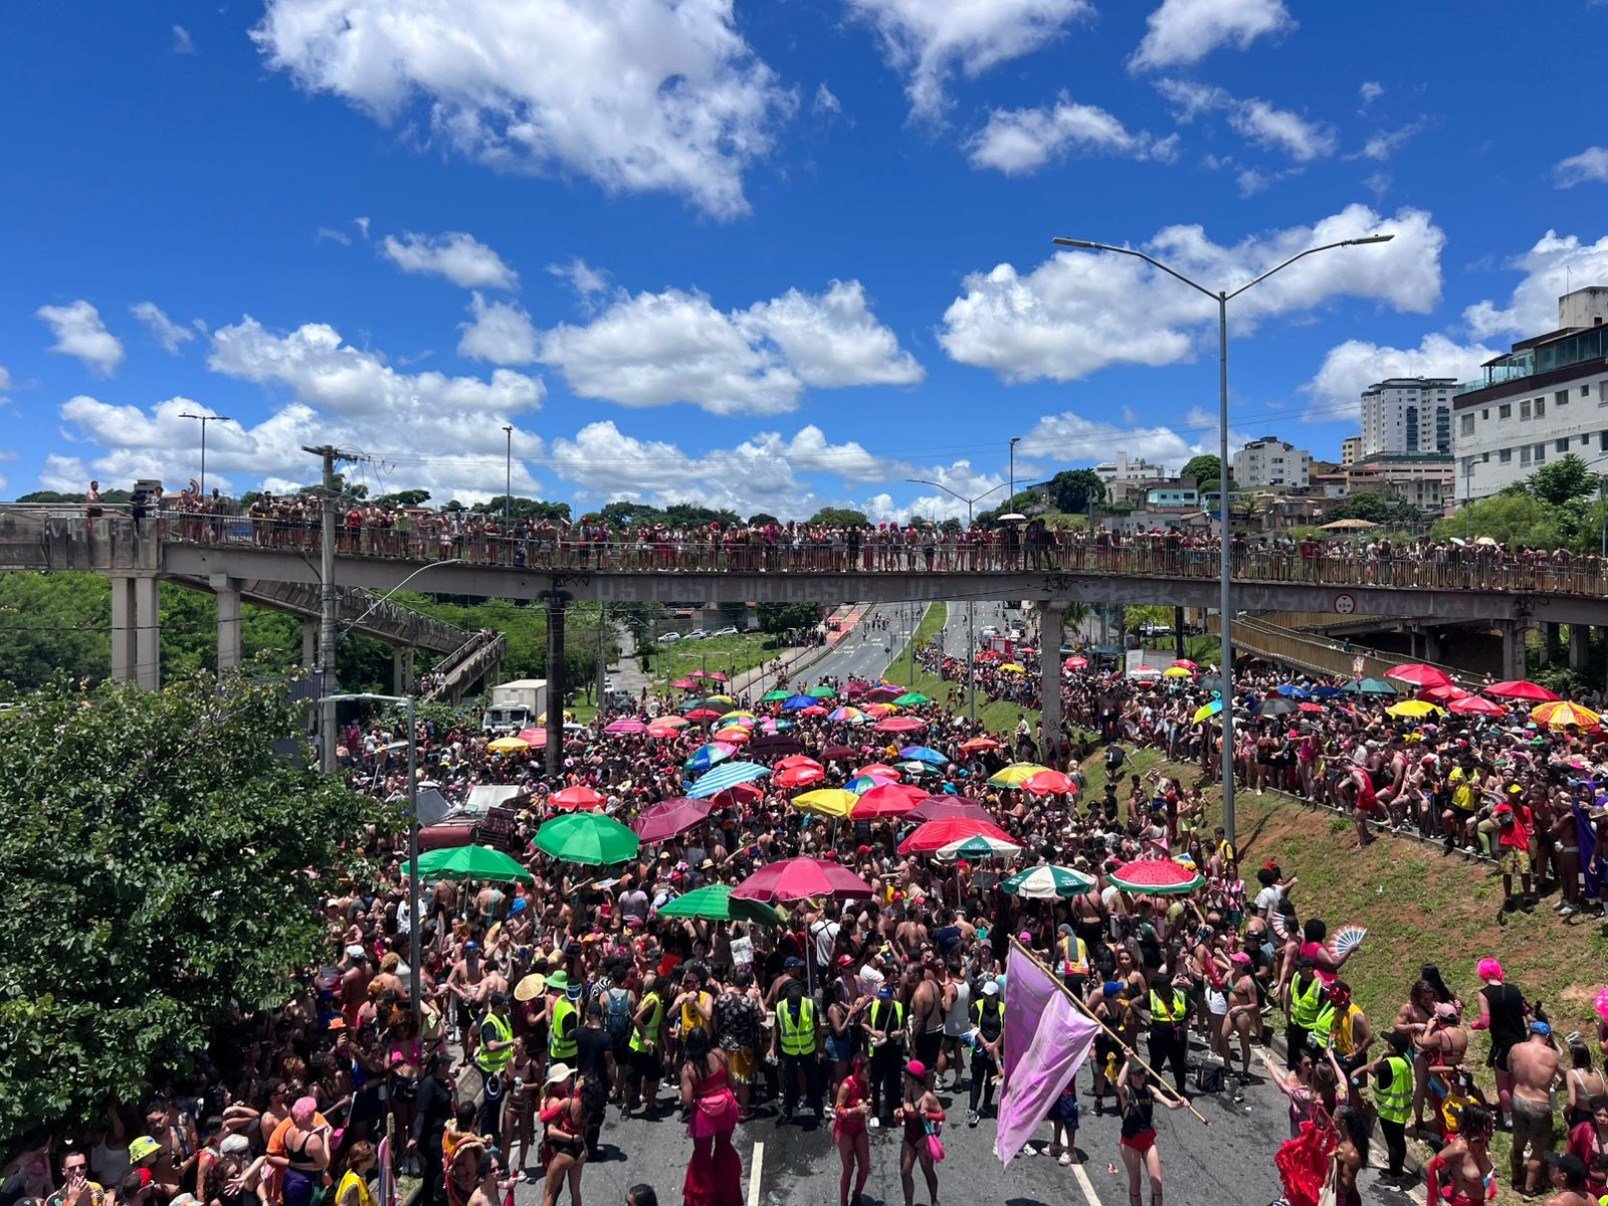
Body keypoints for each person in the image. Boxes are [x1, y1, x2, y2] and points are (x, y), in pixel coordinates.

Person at [678, 1028, 741, 1206]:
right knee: (724, 1148)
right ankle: (728, 1195)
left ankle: (703, 1201)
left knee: (702, 1157)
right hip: (726, 1109)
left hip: (704, 1116)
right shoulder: (719, 1055)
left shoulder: (688, 1069)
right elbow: (732, 1082)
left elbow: (687, 1100)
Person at [1114, 1048, 1186, 1206]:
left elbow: (1170, 1104)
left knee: (1157, 1183)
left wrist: (1181, 1103)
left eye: (1142, 1072)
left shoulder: (1150, 1090)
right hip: (1130, 1142)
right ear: (1130, 1076)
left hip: (1147, 1140)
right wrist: (1127, 1061)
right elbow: (1119, 1084)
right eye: (1136, 1073)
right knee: (1136, 1182)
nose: (1140, 1076)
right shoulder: (1127, 1092)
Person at [1469, 957, 1528, 1128]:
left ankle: (1508, 1117)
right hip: (1521, 1041)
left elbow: (1485, 1021)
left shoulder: (1484, 994)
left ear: (1482, 973)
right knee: (1517, 1081)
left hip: (1502, 1044)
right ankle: (1521, 1113)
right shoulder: (1514, 989)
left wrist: (1474, 1025)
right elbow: (1525, 1010)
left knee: (1503, 1082)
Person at [1352, 1030, 1413, 1189]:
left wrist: (1382, 1055)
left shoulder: (1388, 1064)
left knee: (1393, 1144)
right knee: (1399, 1142)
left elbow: (1373, 1068)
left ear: (1392, 1047)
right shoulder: (1404, 1059)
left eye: (1390, 1042)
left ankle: (1394, 1178)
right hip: (1402, 1109)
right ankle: (1397, 1171)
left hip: (1390, 1110)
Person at [1510, 1022, 1563, 1197]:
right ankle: (1529, 1189)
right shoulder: (1553, 1055)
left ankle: (1516, 1178)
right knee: (1538, 1149)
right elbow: (1567, 1075)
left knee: (1518, 1142)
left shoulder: (1516, 1048)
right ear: (1548, 1037)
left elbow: (1510, 1068)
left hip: (1518, 1098)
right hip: (1539, 1104)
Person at [1425, 1104, 1497, 1205]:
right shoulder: (1459, 1148)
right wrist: (1440, 1199)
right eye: (1489, 1126)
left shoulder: (1480, 1144)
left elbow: (1485, 1174)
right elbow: (1428, 1166)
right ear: (1477, 1126)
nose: (1493, 1131)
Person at [772, 978, 822, 1123]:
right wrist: (772, 1047)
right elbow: (776, 1027)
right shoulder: (781, 1007)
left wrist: (819, 1049)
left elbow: (818, 1027)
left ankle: (819, 1115)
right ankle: (788, 1114)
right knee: (788, 1083)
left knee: (814, 1082)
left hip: (808, 1051)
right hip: (790, 1052)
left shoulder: (809, 1005)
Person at [894, 1061, 943, 1206]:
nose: (903, 1079)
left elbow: (942, 1115)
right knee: (904, 1173)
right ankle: (908, 1203)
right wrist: (899, 1113)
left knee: (928, 1172)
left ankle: (934, 1200)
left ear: (913, 1080)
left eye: (906, 1077)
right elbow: (904, 1114)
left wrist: (928, 1114)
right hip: (908, 1139)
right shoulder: (907, 1092)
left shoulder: (928, 1098)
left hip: (923, 1142)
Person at [538, 1064, 587, 1206]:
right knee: (573, 1192)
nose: (571, 1079)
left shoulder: (562, 1098)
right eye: (567, 1077)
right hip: (574, 1149)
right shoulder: (558, 1101)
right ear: (559, 1082)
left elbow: (550, 1131)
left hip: (561, 1149)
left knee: (550, 1193)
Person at [412, 1051, 456, 1206]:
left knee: (438, 1170)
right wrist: (414, 1137)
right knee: (436, 1170)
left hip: (443, 1133)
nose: (449, 1067)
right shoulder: (428, 1085)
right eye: (447, 1064)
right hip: (432, 1136)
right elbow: (421, 1114)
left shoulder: (443, 1082)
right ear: (439, 1065)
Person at [832, 1057, 871, 1206]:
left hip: (859, 1128)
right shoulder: (847, 1086)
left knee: (865, 1166)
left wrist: (867, 1106)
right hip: (845, 1130)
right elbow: (838, 1109)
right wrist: (856, 1110)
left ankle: (857, 1195)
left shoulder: (865, 1083)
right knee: (848, 1169)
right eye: (867, 1071)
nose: (869, 1074)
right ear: (858, 1070)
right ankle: (844, 1201)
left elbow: (866, 1099)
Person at [864, 986, 905, 1127]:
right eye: (881, 997)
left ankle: (895, 1111)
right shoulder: (874, 1006)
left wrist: (900, 1033)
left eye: (885, 998)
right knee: (876, 1082)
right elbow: (864, 1023)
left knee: (894, 1081)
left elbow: (905, 1026)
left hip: (895, 1050)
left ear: (891, 996)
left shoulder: (899, 1007)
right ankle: (875, 1113)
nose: (882, 1000)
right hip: (878, 1051)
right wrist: (874, 1032)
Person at [967, 980, 1004, 1125]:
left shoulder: (1002, 1008)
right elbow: (973, 1026)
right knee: (977, 1078)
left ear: (996, 995)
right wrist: (985, 1043)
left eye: (989, 995)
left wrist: (995, 1044)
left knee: (992, 1078)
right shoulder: (977, 1006)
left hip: (996, 1049)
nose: (986, 997)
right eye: (985, 994)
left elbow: (1005, 1029)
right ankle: (972, 1109)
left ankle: (987, 1104)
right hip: (980, 1048)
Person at [334, 1142, 378, 1206]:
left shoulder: (353, 1173)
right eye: (372, 1155)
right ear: (362, 1161)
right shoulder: (354, 1187)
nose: (375, 1157)